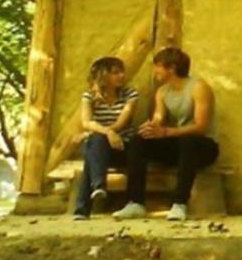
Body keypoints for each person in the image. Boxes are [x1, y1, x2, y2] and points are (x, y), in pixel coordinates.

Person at [112, 47, 217, 221]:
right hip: (178, 144)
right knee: (139, 141)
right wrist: (150, 128)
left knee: (188, 141)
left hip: (203, 147)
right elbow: (158, 118)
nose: (155, 71)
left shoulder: (199, 88)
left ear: (172, 68)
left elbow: (201, 127)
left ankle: (179, 204)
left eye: (158, 66)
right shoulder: (162, 91)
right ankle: (135, 203)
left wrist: (166, 132)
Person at [73, 56, 138, 220]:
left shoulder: (130, 95)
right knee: (96, 142)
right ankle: (98, 186)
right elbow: (86, 122)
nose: (122, 76)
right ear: (103, 76)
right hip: (100, 148)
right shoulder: (89, 97)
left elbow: (122, 123)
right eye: (116, 73)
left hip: (122, 147)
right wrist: (107, 133)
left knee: (92, 149)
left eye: (122, 72)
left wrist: (105, 132)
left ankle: (83, 206)